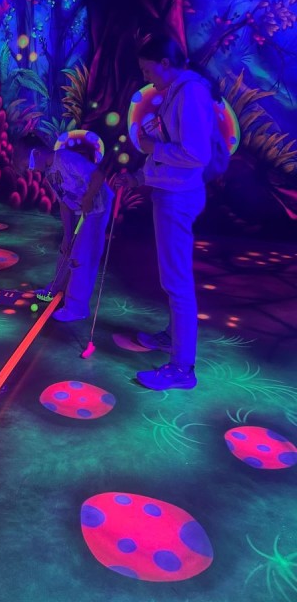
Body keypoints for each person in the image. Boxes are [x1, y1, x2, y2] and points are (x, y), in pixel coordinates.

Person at [114, 35, 216, 390]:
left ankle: (182, 368)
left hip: (178, 196)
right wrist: (139, 176)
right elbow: (171, 150)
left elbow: (196, 154)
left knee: (176, 281)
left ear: (165, 63)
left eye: (147, 69)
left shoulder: (190, 93)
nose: (145, 77)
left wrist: (151, 148)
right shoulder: (179, 90)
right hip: (171, 192)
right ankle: (174, 337)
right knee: (173, 277)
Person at [26, 134, 114, 322]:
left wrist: (88, 197)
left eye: (29, 163)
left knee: (81, 256)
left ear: (37, 153)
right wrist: (67, 235)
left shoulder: (65, 158)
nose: (30, 169)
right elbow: (64, 203)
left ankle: (76, 308)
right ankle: (55, 290)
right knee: (66, 249)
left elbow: (98, 175)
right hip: (80, 209)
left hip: (97, 208)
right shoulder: (49, 173)